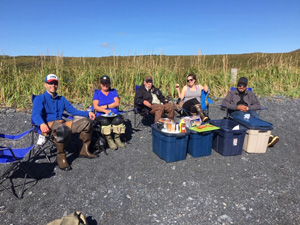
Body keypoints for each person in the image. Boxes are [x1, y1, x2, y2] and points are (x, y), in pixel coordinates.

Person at [32, 74, 97, 171]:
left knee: (86, 122)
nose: (53, 85)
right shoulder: (40, 98)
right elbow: (35, 115)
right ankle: (61, 157)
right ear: (46, 84)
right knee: (62, 128)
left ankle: (83, 150)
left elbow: (73, 111)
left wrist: (88, 113)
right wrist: (41, 124)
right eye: (50, 83)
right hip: (49, 124)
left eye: (55, 83)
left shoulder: (61, 99)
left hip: (61, 123)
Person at [222, 77, 279, 147]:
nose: (241, 87)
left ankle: (267, 136)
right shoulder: (232, 93)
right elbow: (224, 103)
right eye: (239, 85)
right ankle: (266, 139)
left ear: (247, 86)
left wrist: (248, 108)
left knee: (255, 116)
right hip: (236, 111)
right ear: (237, 85)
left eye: (244, 86)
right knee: (247, 119)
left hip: (248, 110)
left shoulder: (250, 94)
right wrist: (237, 107)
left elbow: (258, 105)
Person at [92, 75, 126, 150]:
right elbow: (96, 106)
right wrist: (104, 110)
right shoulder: (97, 93)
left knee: (118, 120)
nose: (105, 85)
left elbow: (117, 103)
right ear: (100, 84)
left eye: (107, 83)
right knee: (105, 121)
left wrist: (106, 106)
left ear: (109, 83)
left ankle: (117, 138)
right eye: (103, 83)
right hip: (101, 114)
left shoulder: (113, 92)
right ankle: (109, 139)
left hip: (114, 113)